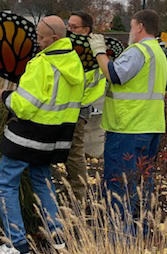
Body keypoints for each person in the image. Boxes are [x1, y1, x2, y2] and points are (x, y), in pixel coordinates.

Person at [0, 16, 84, 254]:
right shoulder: (74, 61)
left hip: (29, 136)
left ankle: (17, 244)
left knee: (4, 183)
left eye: (41, 37)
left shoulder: (41, 64)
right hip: (55, 139)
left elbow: (24, 106)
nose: (37, 41)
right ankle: (58, 237)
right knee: (42, 181)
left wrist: (5, 95)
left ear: (54, 39)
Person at [90, 9, 167, 235]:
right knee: (141, 186)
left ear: (140, 27)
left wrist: (99, 52)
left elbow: (115, 74)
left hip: (127, 129)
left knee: (119, 186)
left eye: (132, 26)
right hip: (149, 127)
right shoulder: (158, 52)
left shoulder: (139, 50)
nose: (130, 31)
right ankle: (139, 236)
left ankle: (120, 240)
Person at [64, 11, 106, 204]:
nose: (69, 30)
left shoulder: (90, 55)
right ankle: (70, 190)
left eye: (74, 27)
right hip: (62, 108)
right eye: (68, 26)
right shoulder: (70, 49)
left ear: (86, 30)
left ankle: (78, 197)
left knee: (75, 153)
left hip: (77, 109)